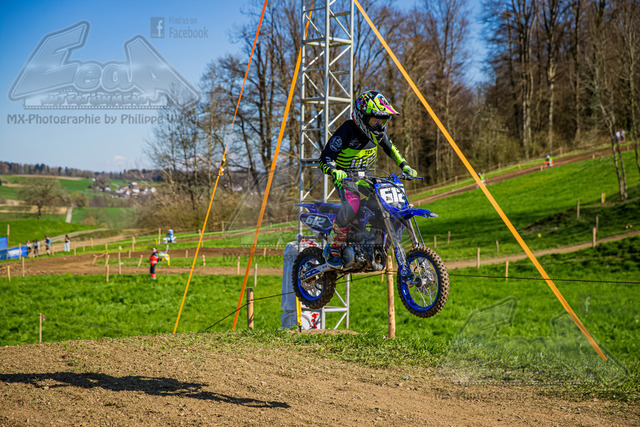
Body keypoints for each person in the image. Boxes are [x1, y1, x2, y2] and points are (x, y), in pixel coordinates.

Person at [319, 90, 418, 269]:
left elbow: (391, 148)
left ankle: (375, 240)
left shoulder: (379, 134)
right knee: (352, 204)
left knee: (388, 201)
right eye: (375, 120)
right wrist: (334, 170)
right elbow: (325, 158)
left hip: (365, 174)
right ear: (362, 117)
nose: (379, 125)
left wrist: (404, 166)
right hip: (345, 175)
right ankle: (333, 247)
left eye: (383, 121)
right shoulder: (347, 130)